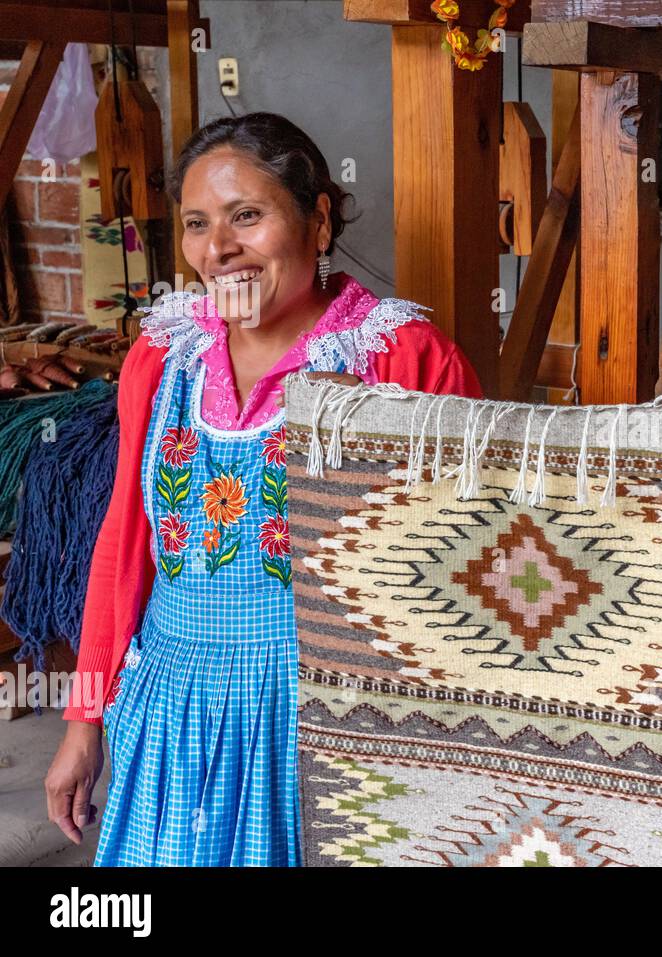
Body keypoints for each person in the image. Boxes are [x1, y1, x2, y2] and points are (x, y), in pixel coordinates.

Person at [44, 112, 482, 866]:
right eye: (197, 223)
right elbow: (124, 541)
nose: (219, 250)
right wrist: (84, 719)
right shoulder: (164, 356)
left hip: (325, 717)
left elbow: (467, 561)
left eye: (247, 215)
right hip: (171, 709)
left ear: (317, 220)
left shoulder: (401, 357)